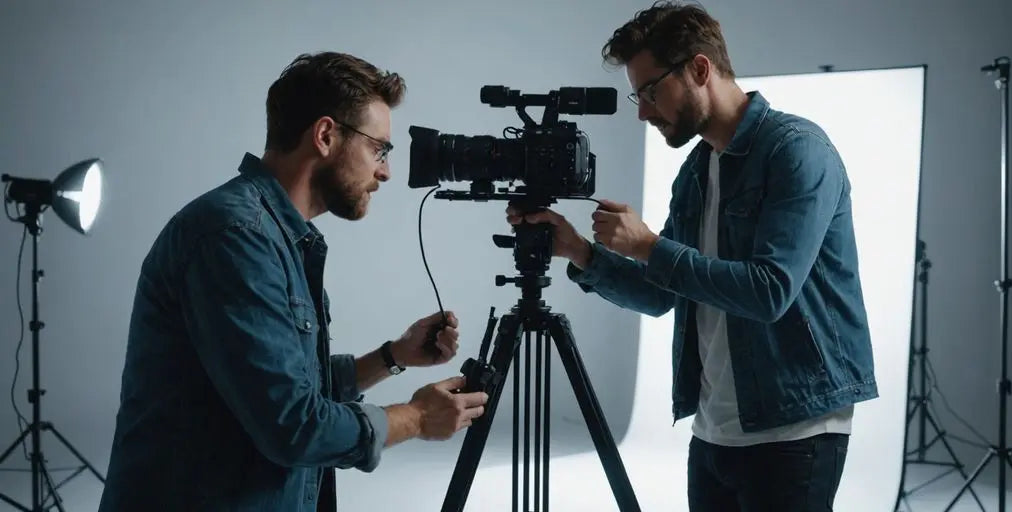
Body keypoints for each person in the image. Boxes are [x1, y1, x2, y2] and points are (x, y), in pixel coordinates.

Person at [508, 2, 877, 510]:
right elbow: (663, 294)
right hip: (714, 428)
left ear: (699, 69)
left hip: (796, 429)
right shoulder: (698, 171)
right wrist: (577, 249)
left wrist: (648, 246)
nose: (642, 111)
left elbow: (769, 291)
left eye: (650, 91)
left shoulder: (797, 150)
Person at [99, 52, 488, 512]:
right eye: (378, 149)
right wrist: (418, 417)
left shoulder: (274, 236)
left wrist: (393, 356)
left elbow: (288, 386)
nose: (384, 171)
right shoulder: (235, 237)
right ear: (325, 135)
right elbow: (293, 427)